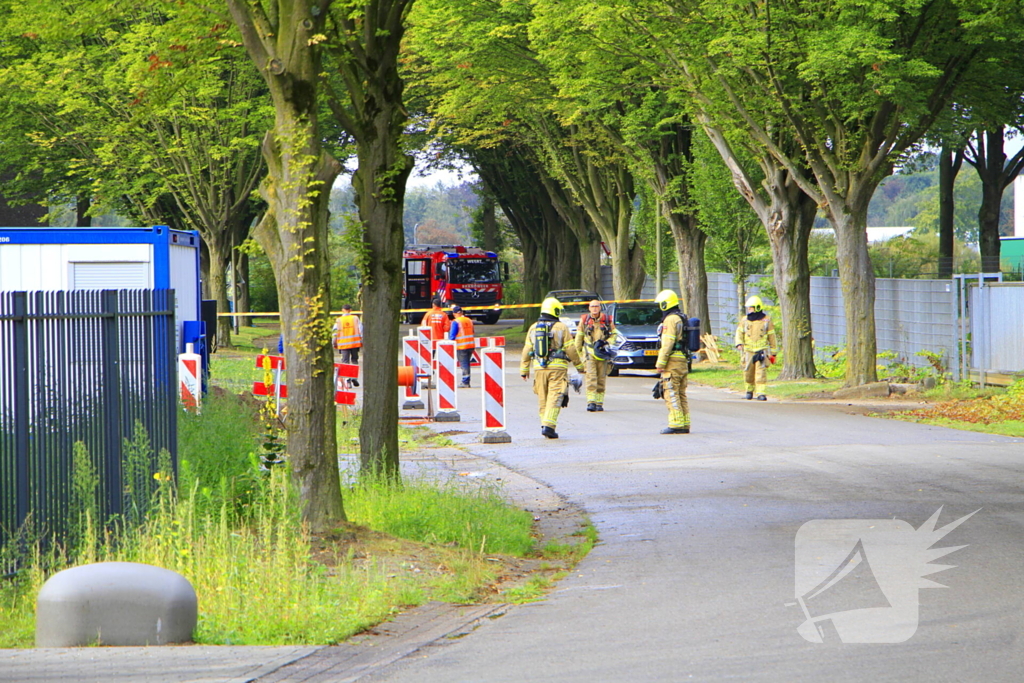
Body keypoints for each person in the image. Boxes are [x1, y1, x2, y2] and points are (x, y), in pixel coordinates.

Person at [520, 297, 584, 439]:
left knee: (542, 397)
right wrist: (580, 366)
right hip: (558, 369)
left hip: (539, 369)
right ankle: (549, 426)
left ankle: (544, 424)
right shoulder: (561, 327)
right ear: (555, 310)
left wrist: (524, 370)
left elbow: (527, 350)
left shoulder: (533, 327)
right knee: (555, 396)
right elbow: (571, 349)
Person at [654, 289, 690, 434]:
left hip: (672, 361)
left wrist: (660, 363)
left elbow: (667, 342)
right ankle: (685, 422)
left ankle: (676, 424)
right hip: (682, 359)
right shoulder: (682, 317)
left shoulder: (670, 319)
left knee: (671, 392)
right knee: (681, 393)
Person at [575, 299, 616, 412]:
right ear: (589, 308)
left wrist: (607, 343)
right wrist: (577, 356)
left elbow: (615, 335)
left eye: (596, 306)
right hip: (589, 355)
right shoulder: (584, 320)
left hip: (602, 354)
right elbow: (579, 338)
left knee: (601, 378)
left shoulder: (607, 320)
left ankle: (599, 403)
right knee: (591, 377)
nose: (594, 308)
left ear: (600, 307)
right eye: (592, 306)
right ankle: (591, 402)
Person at [734, 295, 777, 401]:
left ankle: (761, 393)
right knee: (748, 371)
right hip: (748, 351)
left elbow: (772, 337)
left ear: (757, 307)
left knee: (761, 373)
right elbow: (739, 333)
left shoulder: (766, 321)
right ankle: (749, 391)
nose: (749, 310)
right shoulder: (745, 320)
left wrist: (773, 352)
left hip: (761, 351)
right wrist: (739, 343)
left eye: (751, 307)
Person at [449, 305, 475, 387]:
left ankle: (465, 382)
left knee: (464, 364)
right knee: (467, 363)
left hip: (461, 346)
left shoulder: (456, 322)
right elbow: (472, 331)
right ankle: (467, 380)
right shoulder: (469, 320)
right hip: (471, 345)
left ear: (454, 313)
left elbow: (452, 336)